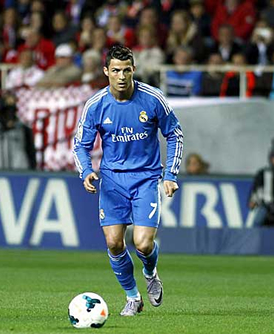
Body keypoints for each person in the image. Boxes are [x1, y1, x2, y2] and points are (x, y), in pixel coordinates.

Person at [73, 45, 183, 316]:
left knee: (143, 244)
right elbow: (80, 144)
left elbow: (175, 134)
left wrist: (170, 175)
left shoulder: (153, 99)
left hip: (146, 179)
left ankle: (150, 271)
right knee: (114, 243)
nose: (121, 76)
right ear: (106, 72)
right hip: (112, 182)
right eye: (115, 71)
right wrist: (86, 171)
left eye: (126, 70)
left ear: (134, 70)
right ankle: (133, 297)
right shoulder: (96, 105)